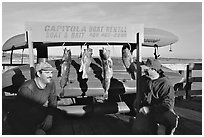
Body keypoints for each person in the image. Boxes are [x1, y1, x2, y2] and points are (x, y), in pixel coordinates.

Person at [7, 62, 57, 135]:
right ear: (39, 74)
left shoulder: (51, 83)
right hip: (20, 121)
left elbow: (53, 102)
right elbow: (21, 115)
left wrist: (50, 116)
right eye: (47, 72)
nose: (50, 75)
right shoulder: (27, 89)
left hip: (36, 114)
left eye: (51, 72)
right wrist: (37, 129)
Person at [132, 58, 179, 135]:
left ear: (154, 69)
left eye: (147, 69)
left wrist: (149, 109)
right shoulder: (143, 79)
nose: (144, 70)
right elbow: (139, 95)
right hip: (145, 110)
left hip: (161, 111)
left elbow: (168, 104)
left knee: (171, 120)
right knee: (137, 130)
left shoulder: (165, 83)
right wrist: (137, 101)